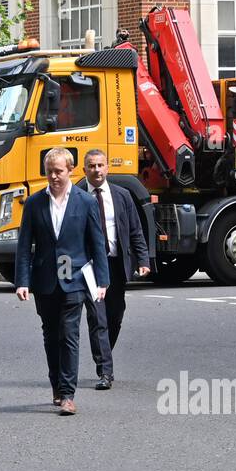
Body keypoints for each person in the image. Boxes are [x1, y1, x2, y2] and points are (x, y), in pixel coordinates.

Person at [14, 147, 109, 415]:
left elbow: (97, 243)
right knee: (50, 335)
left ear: (70, 171)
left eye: (59, 171)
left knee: (69, 335)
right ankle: (56, 384)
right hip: (44, 280)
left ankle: (68, 394)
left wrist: (102, 280)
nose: (54, 176)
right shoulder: (33, 203)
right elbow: (24, 246)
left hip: (75, 280)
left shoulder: (85, 202)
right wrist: (22, 281)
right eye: (50, 172)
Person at [76, 149, 150, 390]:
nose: (96, 170)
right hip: (90, 267)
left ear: (107, 168)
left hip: (116, 264)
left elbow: (135, 230)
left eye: (100, 165)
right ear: (84, 169)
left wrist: (143, 260)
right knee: (98, 318)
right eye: (91, 166)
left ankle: (104, 352)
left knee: (115, 315)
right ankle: (105, 370)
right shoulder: (76, 197)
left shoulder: (123, 196)